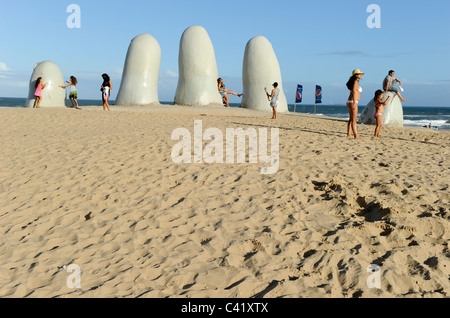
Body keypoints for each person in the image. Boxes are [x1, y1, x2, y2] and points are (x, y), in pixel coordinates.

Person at [346, 69, 364, 139]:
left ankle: (349, 134)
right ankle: (356, 136)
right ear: (356, 75)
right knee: (354, 120)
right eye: (360, 74)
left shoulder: (354, 81)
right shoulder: (355, 82)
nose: (361, 75)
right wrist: (354, 102)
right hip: (353, 101)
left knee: (351, 119)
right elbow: (353, 91)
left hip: (350, 101)